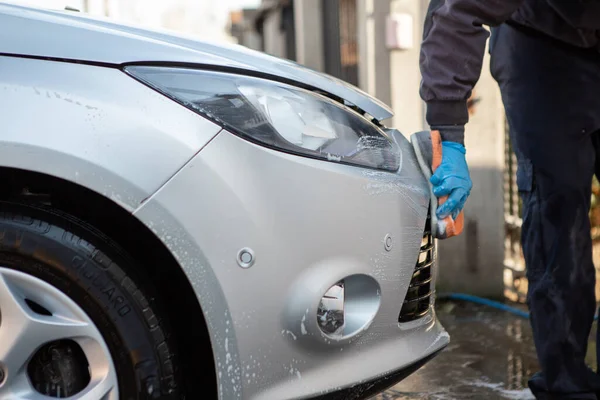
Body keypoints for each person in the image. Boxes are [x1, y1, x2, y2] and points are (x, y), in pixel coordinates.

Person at [419, 1, 600, 399]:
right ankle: (566, 385)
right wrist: (448, 130)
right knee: (559, 205)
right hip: (542, 45)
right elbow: (456, 10)